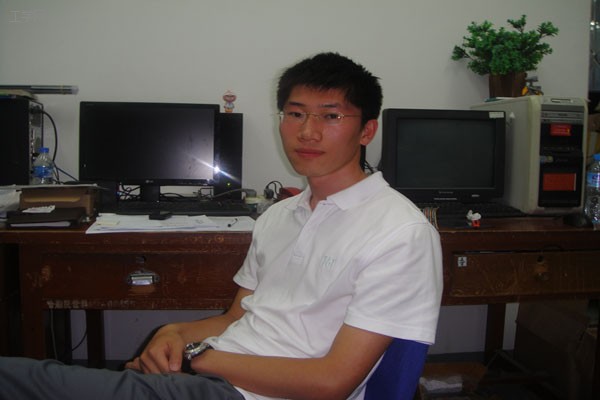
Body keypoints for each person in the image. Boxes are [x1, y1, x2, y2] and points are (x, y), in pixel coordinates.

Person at [0, 52, 442, 400]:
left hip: (250, 393)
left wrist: (197, 358)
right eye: (295, 114)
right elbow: (236, 317)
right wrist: (174, 335)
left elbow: (332, 384)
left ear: (366, 131)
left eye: (330, 116)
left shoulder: (398, 232)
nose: (307, 132)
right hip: (216, 376)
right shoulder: (280, 216)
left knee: (17, 381)